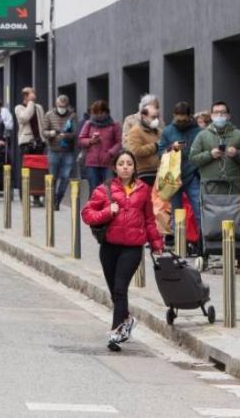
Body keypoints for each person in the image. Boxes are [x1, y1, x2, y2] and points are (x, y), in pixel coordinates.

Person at [81, 150, 164, 351]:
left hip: (132, 248)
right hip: (109, 247)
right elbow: (87, 214)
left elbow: (149, 220)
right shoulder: (104, 190)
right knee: (114, 293)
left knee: (120, 288)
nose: (125, 167)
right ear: (115, 168)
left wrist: (156, 245)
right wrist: (108, 212)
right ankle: (126, 320)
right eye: (121, 163)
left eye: (129, 163)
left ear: (134, 167)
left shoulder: (144, 190)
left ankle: (116, 333)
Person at [157, 101, 203, 237]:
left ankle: (203, 245)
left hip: (192, 175)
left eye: (184, 120)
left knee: (199, 211)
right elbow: (160, 152)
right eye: (178, 120)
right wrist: (172, 148)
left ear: (190, 116)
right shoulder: (168, 131)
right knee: (177, 213)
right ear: (174, 116)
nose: (181, 123)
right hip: (173, 177)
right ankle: (179, 246)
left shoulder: (198, 132)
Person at [189, 101, 240, 195]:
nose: (219, 115)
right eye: (216, 112)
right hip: (209, 186)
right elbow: (193, 158)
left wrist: (237, 154)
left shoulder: (239, 135)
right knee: (211, 210)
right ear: (212, 116)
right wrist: (210, 155)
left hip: (232, 187)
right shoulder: (202, 135)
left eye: (223, 112)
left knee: (232, 210)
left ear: (228, 116)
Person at [79, 100, 122, 194]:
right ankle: (94, 208)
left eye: (101, 112)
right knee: (94, 189)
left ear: (106, 112)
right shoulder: (89, 124)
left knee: (108, 188)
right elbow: (81, 139)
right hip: (92, 162)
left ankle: (107, 207)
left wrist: (110, 153)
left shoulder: (114, 125)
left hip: (108, 162)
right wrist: (91, 141)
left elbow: (119, 142)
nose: (99, 115)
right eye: (96, 113)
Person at [43, 95, 77, 210]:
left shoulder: (72, 116)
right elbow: (44, 132)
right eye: (59, 106)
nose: (61, 108)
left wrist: (66, 136)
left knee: (65, 177)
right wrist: (51, 133)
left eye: (64, 106)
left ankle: (58, 199)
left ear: (67, 106)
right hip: (53, 150)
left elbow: (75, 133)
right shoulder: (49, 115)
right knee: (52, 177)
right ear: (56, 104)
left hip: (68, 151)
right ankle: (51, 199)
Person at [15, 87, 47, 206]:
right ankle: (24, 197)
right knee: (26, 170)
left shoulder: (39, 107)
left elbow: (42, 123)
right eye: (31, 94)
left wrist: (44, 139)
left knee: (38, 170)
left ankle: (37, 197)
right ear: (25, 96)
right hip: (26, 143)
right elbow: (24, 118)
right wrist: (30, 103)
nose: (34, 95)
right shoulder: (19, 108)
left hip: (39, 143)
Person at [125, 104, 162, 186]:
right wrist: (155, 146)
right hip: (144, 173)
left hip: (159, 171)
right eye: (153, 117)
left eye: (157, 117)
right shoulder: (135, 131)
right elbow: (136, 151)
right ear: (144, 116)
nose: (156, 120)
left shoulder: (158, 131)